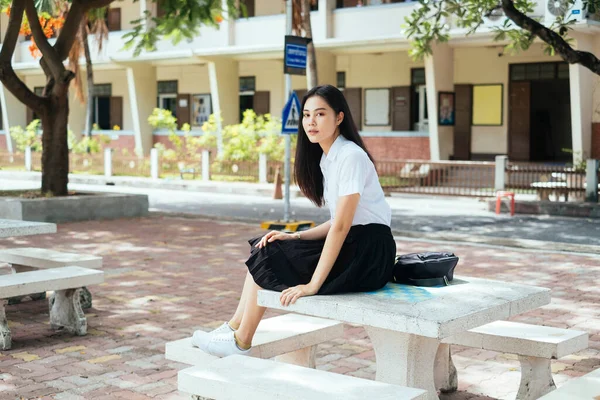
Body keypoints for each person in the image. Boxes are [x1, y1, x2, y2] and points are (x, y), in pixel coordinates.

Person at [191, 84, 396, 357]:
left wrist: (313, 285)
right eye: (307, 115)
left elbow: (343, 227)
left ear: (339, 117)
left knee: (270, 256)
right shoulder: (329, 159)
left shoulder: (350, 156)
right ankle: (232, 328)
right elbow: (339, 221)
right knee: (266, 246)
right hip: (356, 244)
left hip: (368, 254)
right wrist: (295, 236)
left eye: (320, 114)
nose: (311, 121)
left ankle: (241, 341)